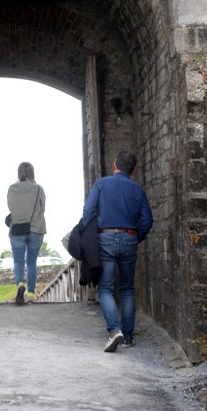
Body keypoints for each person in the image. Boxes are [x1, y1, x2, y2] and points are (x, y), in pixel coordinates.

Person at [81, 150, 153, 352]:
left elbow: (88, 211)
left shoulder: (101, 184)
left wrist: (89, 234)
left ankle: (114, 330)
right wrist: (135, 237)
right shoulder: (138, 190)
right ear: (133, 170)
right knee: (127, 288)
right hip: (129, 237)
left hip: (105, 238)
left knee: (105, 288)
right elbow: (147, 220)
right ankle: (128, 336)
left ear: (114, 166)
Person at [7, 162, 46, 305]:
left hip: (17, 229)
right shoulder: (38, 188)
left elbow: (10, 207)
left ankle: (20, 284)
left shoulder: (12, 188)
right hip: (36, 228)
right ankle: (30, 294)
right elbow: (43, 208)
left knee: (18, 261)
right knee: (31, 262)